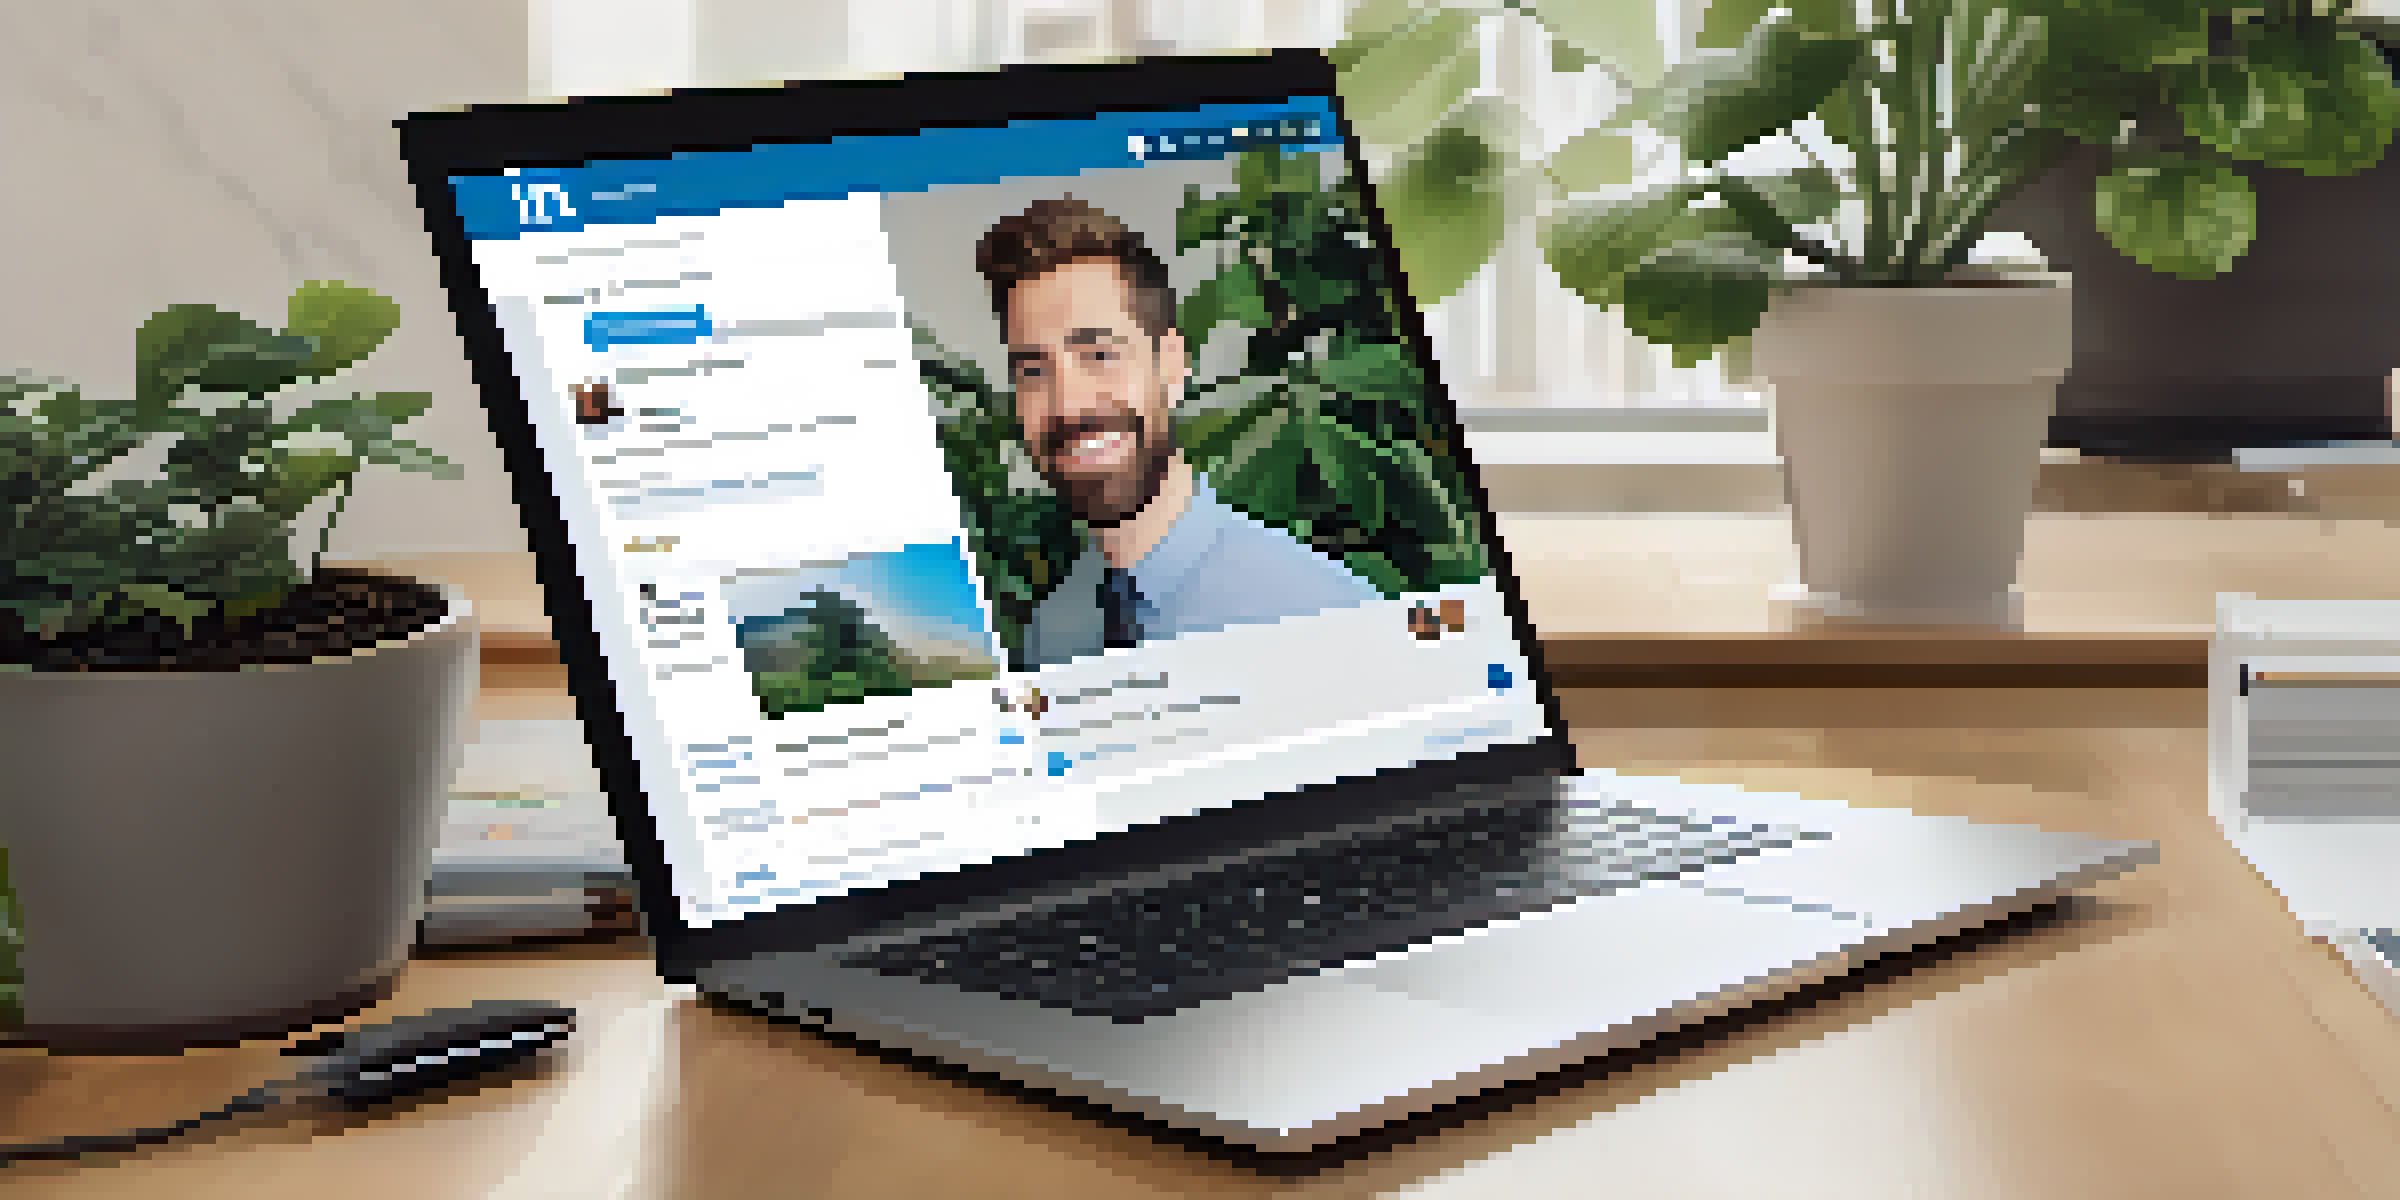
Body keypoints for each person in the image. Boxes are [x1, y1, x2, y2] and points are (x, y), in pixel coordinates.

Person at [973, 195, 1381, 667]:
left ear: (1171, 364)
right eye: (1033, 371)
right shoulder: (1052, 632)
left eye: (1100, 354)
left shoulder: (1325, 613)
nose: (1068, 405)